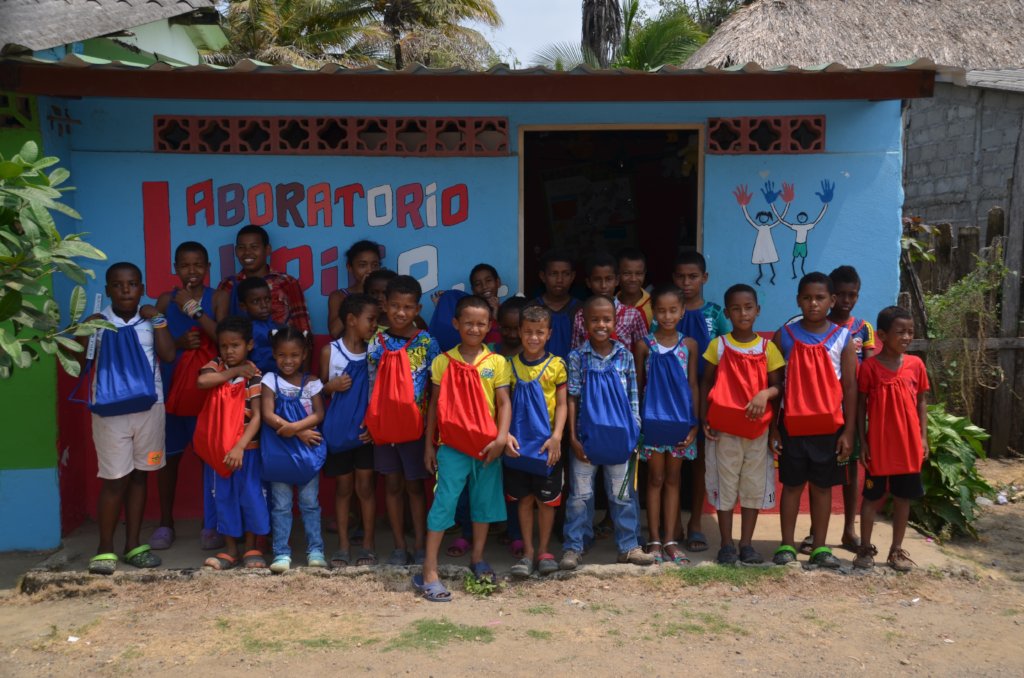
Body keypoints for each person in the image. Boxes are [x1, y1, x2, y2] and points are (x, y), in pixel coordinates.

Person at [80, 263, 176, 575]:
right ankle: (104, 548)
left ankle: (133, 545)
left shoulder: (149, 321)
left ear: (142, 288)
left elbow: (169, 355)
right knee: (114, 480)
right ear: (107, 290)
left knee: (139, 476)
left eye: (132, 284)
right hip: (109, 412)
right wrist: (85, 331)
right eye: (118, 285)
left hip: (150, 408)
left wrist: (159, 320)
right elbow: (80, 359)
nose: (125, 290)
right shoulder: (99, 323)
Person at [415, 295, 512, 601]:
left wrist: (501, 437)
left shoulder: (496, 362)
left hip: (487, 446)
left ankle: (478, 558)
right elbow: (433, 408)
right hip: (452, 446)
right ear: (456, 324)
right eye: (468, 323)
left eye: (481, 323)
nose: (474, 328)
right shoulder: (443, 361)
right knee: (444, 503)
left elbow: (504, 402)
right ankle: (429, 569)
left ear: (489, 326)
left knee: (483, 504)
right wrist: (430, 445)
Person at [770, 272, 857, 568]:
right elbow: (776, 386)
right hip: (792, 427)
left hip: (829, 429)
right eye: (806, 298)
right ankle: (787, 544)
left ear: (831, 301)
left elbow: (850, 388)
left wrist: (849, 431)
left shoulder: (843, 338)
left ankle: (820, 547)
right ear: (798, 300)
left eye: (820, 298)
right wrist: (774, 429)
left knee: (822, 487)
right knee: (792, 486)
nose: (813, 304)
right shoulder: (785, 335)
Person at [561, 295, 655, 569]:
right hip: (585, 440)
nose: (601, 324)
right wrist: (573, 438)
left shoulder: (624, 355)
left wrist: (634, 431)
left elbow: (633, 395)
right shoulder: (577, 357)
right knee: (580, 497)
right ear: (584, 322)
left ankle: (629, 546)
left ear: (615, 322)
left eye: (606, 319)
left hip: (619, 439)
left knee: (623, 494)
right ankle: (574, 546)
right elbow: (572, 398)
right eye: (595, 319)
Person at [701, 284, 785, 565]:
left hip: (758, 432)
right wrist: (704, 417)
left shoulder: (767, 347)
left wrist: (765, 394)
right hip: (723, 431)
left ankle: (746, 543)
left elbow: (779, 387)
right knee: (725, 486)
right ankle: (726, 543)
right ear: (727, 313)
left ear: (758, 310)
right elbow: (706, 382)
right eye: (735, 308)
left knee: (752, 487)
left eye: (748, 307)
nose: (742, 313)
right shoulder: (719, 345)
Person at [365, 275, 440, 566]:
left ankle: (421, 545)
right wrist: (368, 422)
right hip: (383, 427)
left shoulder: (427, 342)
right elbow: (370, 384)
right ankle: (399, 546)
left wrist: (431, 432)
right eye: (395, 305)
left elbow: (435, 391)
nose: (400, 312)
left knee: (415, 487)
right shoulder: (376, 342)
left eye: (408, 307)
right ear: (385, 305)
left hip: (415, 428)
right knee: (392, 486)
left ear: (418, 309)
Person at [151, 241, 219, 551]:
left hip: (208, 391)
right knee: (170, 458)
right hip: (172, 389)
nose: (191, 271)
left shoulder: (218, 296)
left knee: (210, 457)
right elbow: (157, 346)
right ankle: (166, 522)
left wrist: (194, 307)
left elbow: (223, 337)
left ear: (207, 268)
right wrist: (178, 343)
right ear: (175, 268)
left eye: (198, 265)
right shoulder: (165, 300)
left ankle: (212, 523)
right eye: (184, 265)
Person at [853, 306, 929, 572]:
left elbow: (921, 403)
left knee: (902, 499)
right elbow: (860, 406)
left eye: (910, 332)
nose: (907, 337)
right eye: (901, 332)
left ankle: (896, 551)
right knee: (872, 499)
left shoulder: (916, 365)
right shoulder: (870, 368)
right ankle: (864, 549)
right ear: (883, 335)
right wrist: (863, 441)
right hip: (879, 446)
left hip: (908, 446)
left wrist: (923, 438)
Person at [666, 251, 731, 553]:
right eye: (680, 276)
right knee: (673, 462)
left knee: (701, 463)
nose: (686, 282)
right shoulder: (666, 311)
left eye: (693, 276)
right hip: (670, 398)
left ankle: (695, 522)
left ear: (704, 278)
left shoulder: (716, 313)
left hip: (707, 396)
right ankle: (673, 523)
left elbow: (729, 354)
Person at [195, 316, 268, 570]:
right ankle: (230, 550)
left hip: (246, 450)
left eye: (235, 345)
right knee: (223, 498)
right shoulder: (217, 366)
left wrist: (239, 446)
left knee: (251, 497)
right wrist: (234, 371)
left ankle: (252, 547)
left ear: (249, 345)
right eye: (224, 346)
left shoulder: (255, 376)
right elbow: (202, 381)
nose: (228, 351)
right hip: (219, 452)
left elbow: (258, 416)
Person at [635, 286, 699, 565]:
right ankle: (654, 539)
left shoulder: (690, 345)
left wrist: (694, 424)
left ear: (682, 311)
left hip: (680, 424)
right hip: (652, 424)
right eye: (661, 310)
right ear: (654, 312)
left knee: (674, 480)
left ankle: (671, 539)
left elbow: (693, 385)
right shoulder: (643, 345)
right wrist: (636, 423)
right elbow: (637, 387)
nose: (667, 315)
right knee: (655, 479)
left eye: (673, 310)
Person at [505, 305, 568, 578]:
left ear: (549, 334)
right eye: (528, 332)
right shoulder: (508, 366)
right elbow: (502, 403)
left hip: (547, 446)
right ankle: (527, 552)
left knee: (546, 500)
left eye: (539, 332)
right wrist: (504, 434)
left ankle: (544, 550)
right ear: (519, 332)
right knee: (524, 499)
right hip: (518, 446)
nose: (533, 337)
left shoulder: (557, 365)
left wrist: (557, 437)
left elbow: (564, 404)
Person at [260, 327, 326, 573]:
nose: (288, 361)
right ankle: (281, 553)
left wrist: (294, 428)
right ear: (274, 355)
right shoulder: (270, 380)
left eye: (294, 355)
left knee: (310, 503)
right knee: (281, 505)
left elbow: (320, 413)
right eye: (282, 355)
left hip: (308, 455)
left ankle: (316, 550)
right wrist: (299, 431)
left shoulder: (313, 383)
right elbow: (267, 414)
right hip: (279, 455)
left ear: (305, 354)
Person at [320, 293, 379, 568]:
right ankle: (343, 545)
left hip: (366, 433)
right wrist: (331, 387)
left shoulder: (375, 351)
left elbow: (380, 392)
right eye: (371, 319)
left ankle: (367, 544)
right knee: (343, 489)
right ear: (352, 320)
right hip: (337, 434)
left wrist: (375, 425)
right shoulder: (330, 351)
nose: (375, 325)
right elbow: (317, 390)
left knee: (365, 488)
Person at [214, 224, 310, 334]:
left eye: (254, 247)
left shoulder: (287, 283)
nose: (247, 253)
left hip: (280, 349)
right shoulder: (228, 284)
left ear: (267, 249)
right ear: (236, 251)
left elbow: (303, 327)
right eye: (241, 248)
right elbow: (219, 330)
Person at [570, 252, 647, 353]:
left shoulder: (633, 315)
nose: (603, 285)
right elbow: (575, 352)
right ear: (589, 282)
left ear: (617, 280)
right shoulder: (581, 316)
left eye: (608, 279)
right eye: (597, 280)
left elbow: (644, 351)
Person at [531, 249, 581, 360]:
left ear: (572, 276)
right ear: (543, 276)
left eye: (565, 274)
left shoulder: (581, 310)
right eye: (554, 274)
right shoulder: (531, 309)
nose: (559, 280)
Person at [327, 240, 381, 338]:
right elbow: (334, 332)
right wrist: (362, 291)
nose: (370, 270)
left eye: (375, 265)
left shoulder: (383, 296)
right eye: (362, 265)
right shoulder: (339, 296)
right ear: (350, 267)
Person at [236, 276, 284, 375]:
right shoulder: (243, 331)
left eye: (267, 299)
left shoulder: (281, 327)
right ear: (243, 306)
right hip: (256, 382)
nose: (264, 305)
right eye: (255, 301)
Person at [616, 247, 653, 329]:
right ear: (617, 274)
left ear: (645, 273)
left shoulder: (654, 305)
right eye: (627, 273)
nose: (633, 279)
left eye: (639, 273)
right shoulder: (610, 305)